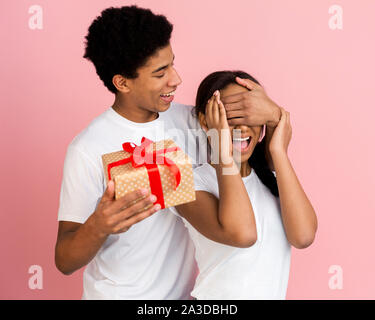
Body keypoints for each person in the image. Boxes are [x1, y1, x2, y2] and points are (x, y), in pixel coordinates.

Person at [55, 6, 281, 300]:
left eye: (172, 65)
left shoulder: (195, 122)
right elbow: (64, 260)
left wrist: (274, 112)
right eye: (160, 73)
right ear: (122, 82)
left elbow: (257, 149)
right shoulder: (87, 149)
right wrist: (99, 225)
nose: (176, 79)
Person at [173, 70, 318, 300]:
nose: (243, 128)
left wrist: (278, 149)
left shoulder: (271, 179)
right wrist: (222, 148)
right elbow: (243, 233)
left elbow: (303, 236)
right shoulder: (184, 183)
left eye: (250, 116)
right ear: (205, 120)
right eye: (232, 117)